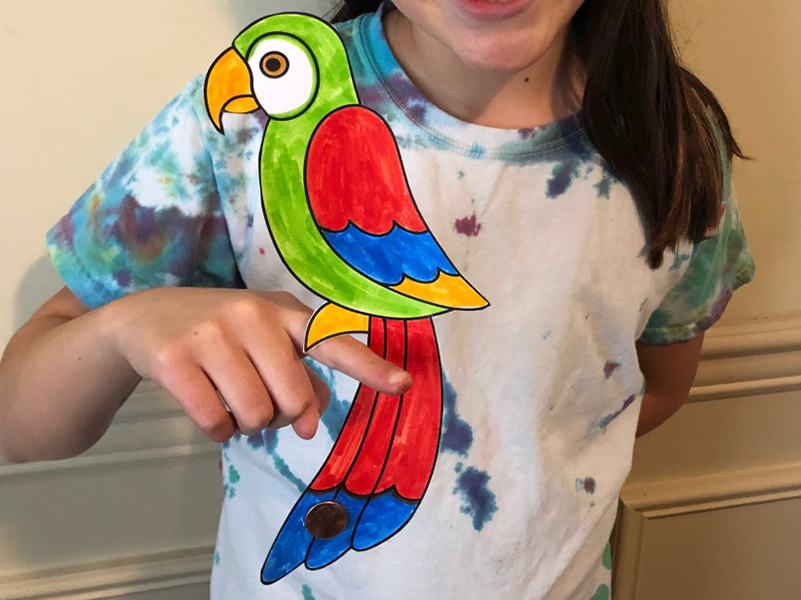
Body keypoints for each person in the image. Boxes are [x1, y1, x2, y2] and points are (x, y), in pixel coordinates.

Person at [0, 0, 756, 598]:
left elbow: (652, 386)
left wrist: (505, 447)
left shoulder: (675, 139)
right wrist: (122, 329)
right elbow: (19, 422)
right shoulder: (236, 125)